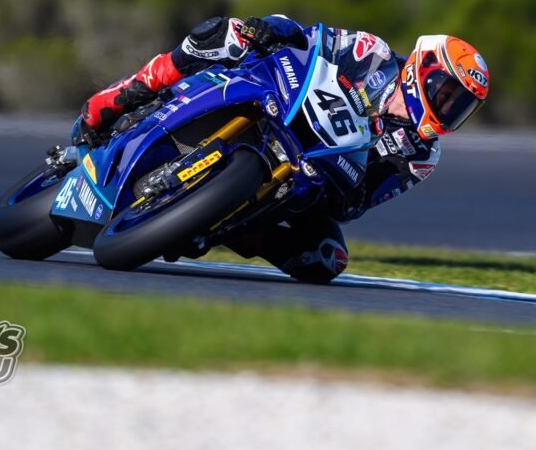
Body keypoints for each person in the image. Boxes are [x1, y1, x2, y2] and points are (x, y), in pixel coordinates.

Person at [80, 15, 490, 282]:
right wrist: (270, 30)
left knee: (327, 257)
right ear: (424, 69)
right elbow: (308, 37)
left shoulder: (421, 154)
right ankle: (126, 94)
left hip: (306, 175)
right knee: (226, 33)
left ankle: (217, 226)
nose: (449, 108)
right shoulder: (373, 55)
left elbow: (357, 205)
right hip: (278, 98)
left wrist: (344, 192)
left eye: (461, 106)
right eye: (448, 93)